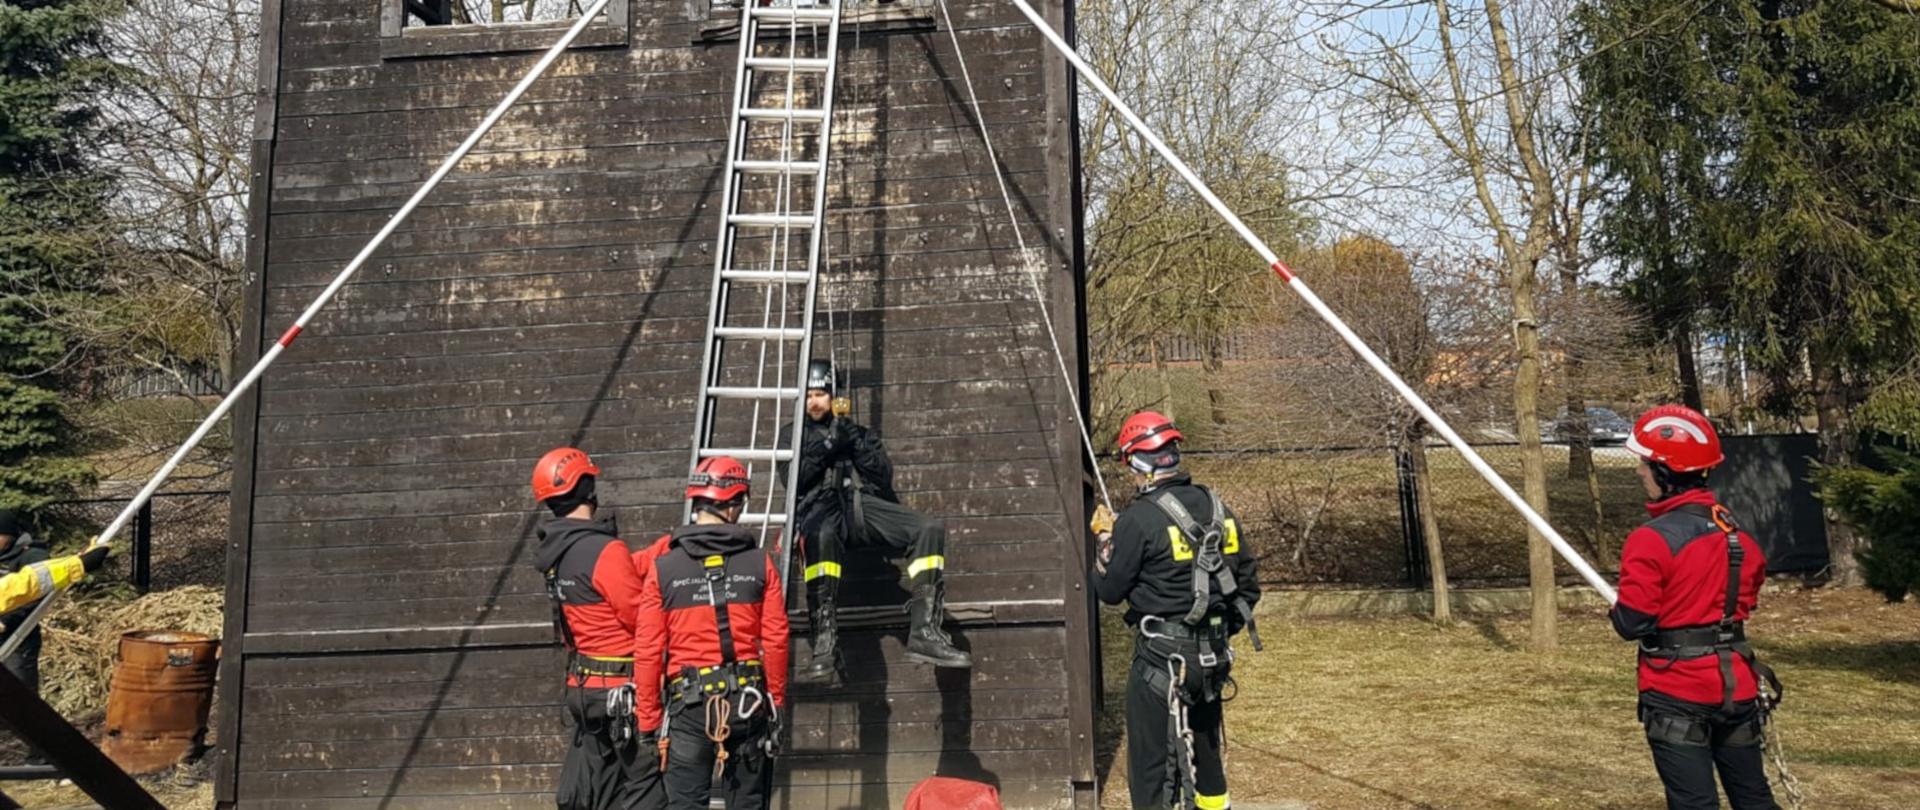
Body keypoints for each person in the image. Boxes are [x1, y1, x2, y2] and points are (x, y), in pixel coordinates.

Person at [1612, 405, 1782, 810]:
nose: (1639, 472)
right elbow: (1746, 598)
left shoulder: (1650, 540)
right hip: (1736, 688)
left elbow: (1632, 622)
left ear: (1665, 473)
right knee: (1754, 797)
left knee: (1693, 803)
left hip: (1676, 691)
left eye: (1645, 464)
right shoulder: (1737, 534)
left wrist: (1619, 612)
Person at [1092, 410, 1259, 810]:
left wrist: (1104, 543)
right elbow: (1248, 586)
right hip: (1213, 657)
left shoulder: (1137, 520)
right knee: (1206, 753)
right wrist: (1215, 631)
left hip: (1160, 661)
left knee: (1151, 763)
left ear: (1137, 461)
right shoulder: (1220, 510)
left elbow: (1111, 590)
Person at [790, 358, 970, 681]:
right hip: (819, 511)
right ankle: (824, 643)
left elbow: (882, 476)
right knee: (822, 537)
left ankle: (925, 631)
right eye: (808, 395)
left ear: (833, 396)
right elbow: (794, 480)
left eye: (820, 394)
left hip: (858, 507)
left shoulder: (856, 433)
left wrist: (853, 441)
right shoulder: (794, 436)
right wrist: (830, 444)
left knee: (927, 528)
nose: (814, 401)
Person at [633, 456, 789, 810]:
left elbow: (647, 651)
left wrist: (648, 723)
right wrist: (776, 704)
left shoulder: (664, 569)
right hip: (748, 704)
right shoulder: (760, 563)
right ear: (733, 504)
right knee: (748, 803)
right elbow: (777, 640)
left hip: (689, 708)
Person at [530, 447, 663, 810]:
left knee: (602, 792)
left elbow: (598, 582)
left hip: (585, 692)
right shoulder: (604, 549)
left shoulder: (559, 552)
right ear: (587, 487)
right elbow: (639, 616)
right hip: (621, 692)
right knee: (647, 787)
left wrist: (656, 553)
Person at [2, 511, 102, 694]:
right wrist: (77, 564)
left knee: (18, 694)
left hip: (17, 634)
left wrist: (76, 563)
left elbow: (26, 587)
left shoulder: (30, 556)